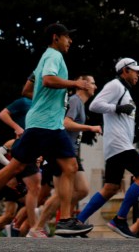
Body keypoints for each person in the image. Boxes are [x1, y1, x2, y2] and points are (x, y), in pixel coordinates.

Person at [0, 23, 94, 237]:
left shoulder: (44, 57)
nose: (70, 41)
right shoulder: (54, 56)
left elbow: (27, 88)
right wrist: (75, 84)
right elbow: (48, 80)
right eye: (66, 37)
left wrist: (45, 101)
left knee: (16, 167)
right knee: (70, 166)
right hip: (48, 125)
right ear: (56, 38)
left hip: (40, 122)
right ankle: (64, 221)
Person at [77, 58, 139, 238]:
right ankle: (120, 219)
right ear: (125, 70)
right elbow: (94, 105)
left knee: (110, 188)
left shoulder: (124, 91)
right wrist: (117, 108)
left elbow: (122, 114)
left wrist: (137, 118)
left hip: (118, 144)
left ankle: (78, 222)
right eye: (134, 70)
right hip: (119, 144)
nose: (138, 74)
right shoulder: (115, 85)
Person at [27, 74, 101, 236]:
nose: (95, 87)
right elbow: (66, 123)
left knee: (81, 190)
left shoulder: (80, 104)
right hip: (62, 152)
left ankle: (54, 217)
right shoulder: (75, 100)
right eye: (93, 83)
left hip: (70, 152)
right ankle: (40, 225)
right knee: (63, 193)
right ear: (84, 85)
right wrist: (90, 128)